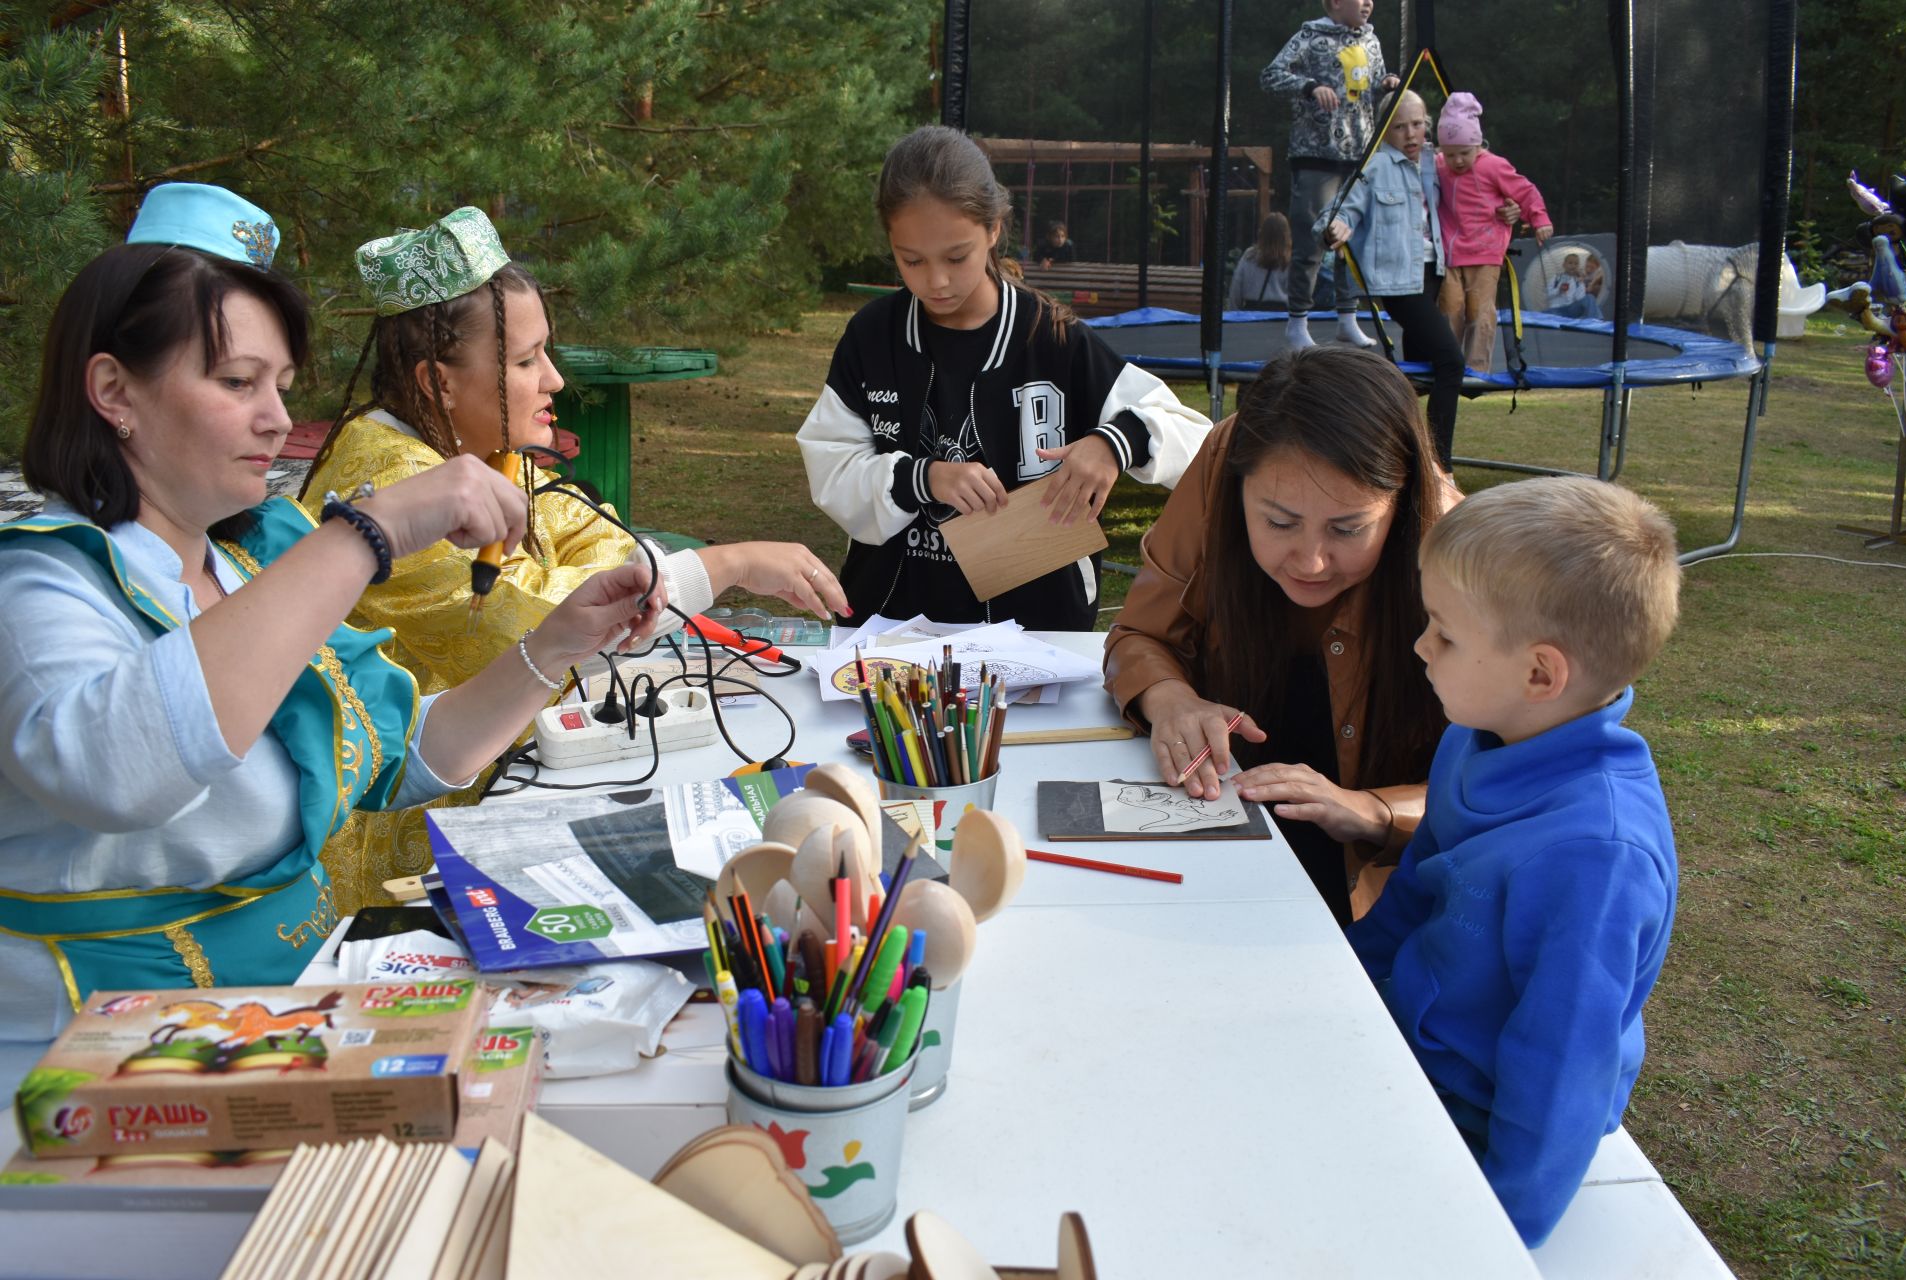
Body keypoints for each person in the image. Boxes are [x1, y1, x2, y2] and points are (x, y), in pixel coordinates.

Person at [0, 185, 664, 1039]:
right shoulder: (41, 587)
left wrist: (559, 641)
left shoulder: (247, 555)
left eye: (280, 384)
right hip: (111, 1065)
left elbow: (400, 755)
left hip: (301, 1009)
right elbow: (119, 769)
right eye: (239, 382)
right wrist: (368, 531)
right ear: (113, 391)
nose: (278, 419)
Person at [298, 208, 847, 910]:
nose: (554, 380)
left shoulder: (471, 446)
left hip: (503, 777)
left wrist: (627, 575)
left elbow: (598, 543)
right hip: (408, 844)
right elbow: (529, 618)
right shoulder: (397, 484)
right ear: (438, 382)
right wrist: (730, 563)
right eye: (526, 362)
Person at [1345, 475, 1682, 1245]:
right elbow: (1411, 898)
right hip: (1402, 1056)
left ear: (1540, 674)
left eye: (1445, 634)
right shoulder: (1479, 733)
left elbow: (1562, 1069)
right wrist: (1337, 992)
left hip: (1472, 1123)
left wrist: (1496, 1240)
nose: (1420, 645)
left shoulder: (1596, 858)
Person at [797, 125, 1211, 630]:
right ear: (890, 241)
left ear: (993, 229)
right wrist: (923, 477)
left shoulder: (1054, 339)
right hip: (890, 626)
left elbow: (1195, 437)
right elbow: (831, 468)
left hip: (1036, 635)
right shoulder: (873, 335)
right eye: (912, 260)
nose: (937, 281)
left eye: (956, 257)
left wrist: (1112, 444)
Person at [1104, 345, 1450, 923]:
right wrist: (1171, 699)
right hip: (1217, 855)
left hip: (1375, 906)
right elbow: (1139, 631)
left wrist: (1372, 811)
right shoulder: (1221, 457)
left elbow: (1499, 787)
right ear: (1237, 489)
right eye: (1279, 522)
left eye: (1348, 528)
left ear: (1404, 504)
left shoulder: (1460, 559)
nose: (1310, 562)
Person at [1320, 93, 1467, 473]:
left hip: (1435, 274)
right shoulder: (1376, 167)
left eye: (1417, 124)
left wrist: (1509, 206)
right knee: (1451, 362)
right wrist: (1336, 226)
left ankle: (1393, 450)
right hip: (1399, 284)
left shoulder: (1437, 164)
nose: (1410, 134)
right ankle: (1440, 467)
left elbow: (1483, 182)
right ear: (1384, 131)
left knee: (1416, 376)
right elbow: (1340, 209)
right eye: (1399, 127)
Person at [1259, 0, 1399, 352]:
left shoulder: (1371, 41)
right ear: (1336, 2)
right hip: (1316, 155)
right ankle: (1297, 322)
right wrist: (1309, 86)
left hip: (1358, 156)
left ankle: (1347, 318)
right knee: (1312, 240)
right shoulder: (1310, 36)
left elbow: (1372, 87)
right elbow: (1270, 76)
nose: (1369, 4)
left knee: (1350, 241)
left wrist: (1387, 84)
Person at [1434, 92, 1554, 373]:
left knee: (1479, 311)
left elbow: (1524, 191)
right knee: (1450, 308)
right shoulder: (1438, 164)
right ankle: (1449, 365)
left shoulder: (1493, 166)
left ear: (1478, 144)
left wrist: (1539, 218)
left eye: (1465, 153)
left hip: (1484, 252)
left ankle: (1476, 369)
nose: (1458, 161)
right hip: (1450, 254)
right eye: (1451, 154)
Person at [1226, 213, 1292, 312]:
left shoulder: (1250, 256)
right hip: (1281, 315)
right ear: (1286, 234)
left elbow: (1236, 286)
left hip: (1251, 312)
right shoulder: (1289, 259)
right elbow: (1295, 294)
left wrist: (1234, 313)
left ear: (1262, 233)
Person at [1545, 250, 1600, 319]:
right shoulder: (1556, 278)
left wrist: (1580, 284)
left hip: (1570, 310)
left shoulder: (1578, 282)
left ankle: (1593, 321)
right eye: (1570, 263)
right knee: (1545, 313)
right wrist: (1558, 290)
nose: (1573, 266)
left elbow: (1581, 300)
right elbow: (1547, 295)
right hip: (1556, 309)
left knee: (1589, 297)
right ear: (1564, 265)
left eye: (1576, 264)